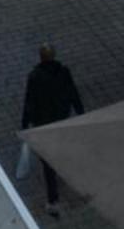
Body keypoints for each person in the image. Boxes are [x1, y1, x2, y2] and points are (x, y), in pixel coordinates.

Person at [20, 46, 84, 217]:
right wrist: (81, 113)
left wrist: (25, 123)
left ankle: (53, 200)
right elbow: (73, 92)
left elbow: (30, 101)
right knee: (61, 151)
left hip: (43, 123)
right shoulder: (64, 72)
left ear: (40, 58)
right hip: (61, 119)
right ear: (54, 56)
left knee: (48, 162)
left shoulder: (34, 77)